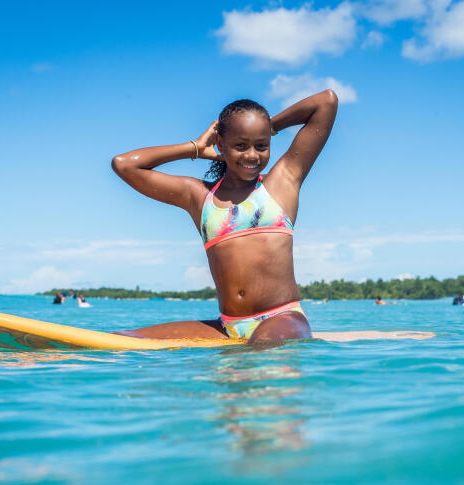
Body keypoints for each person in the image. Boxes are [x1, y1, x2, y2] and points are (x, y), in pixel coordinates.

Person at [111, 90, 338, 343]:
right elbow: (124, 165)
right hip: (227, 325)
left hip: (282, 318)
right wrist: (195, 148)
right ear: (220, 143)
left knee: (262, 346)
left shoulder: (282, 182)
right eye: (240, 145)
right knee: (121, 339)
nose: (252, 155)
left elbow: (326, 102)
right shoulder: (199, 196)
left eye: (261, 145)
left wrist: (268, 126)